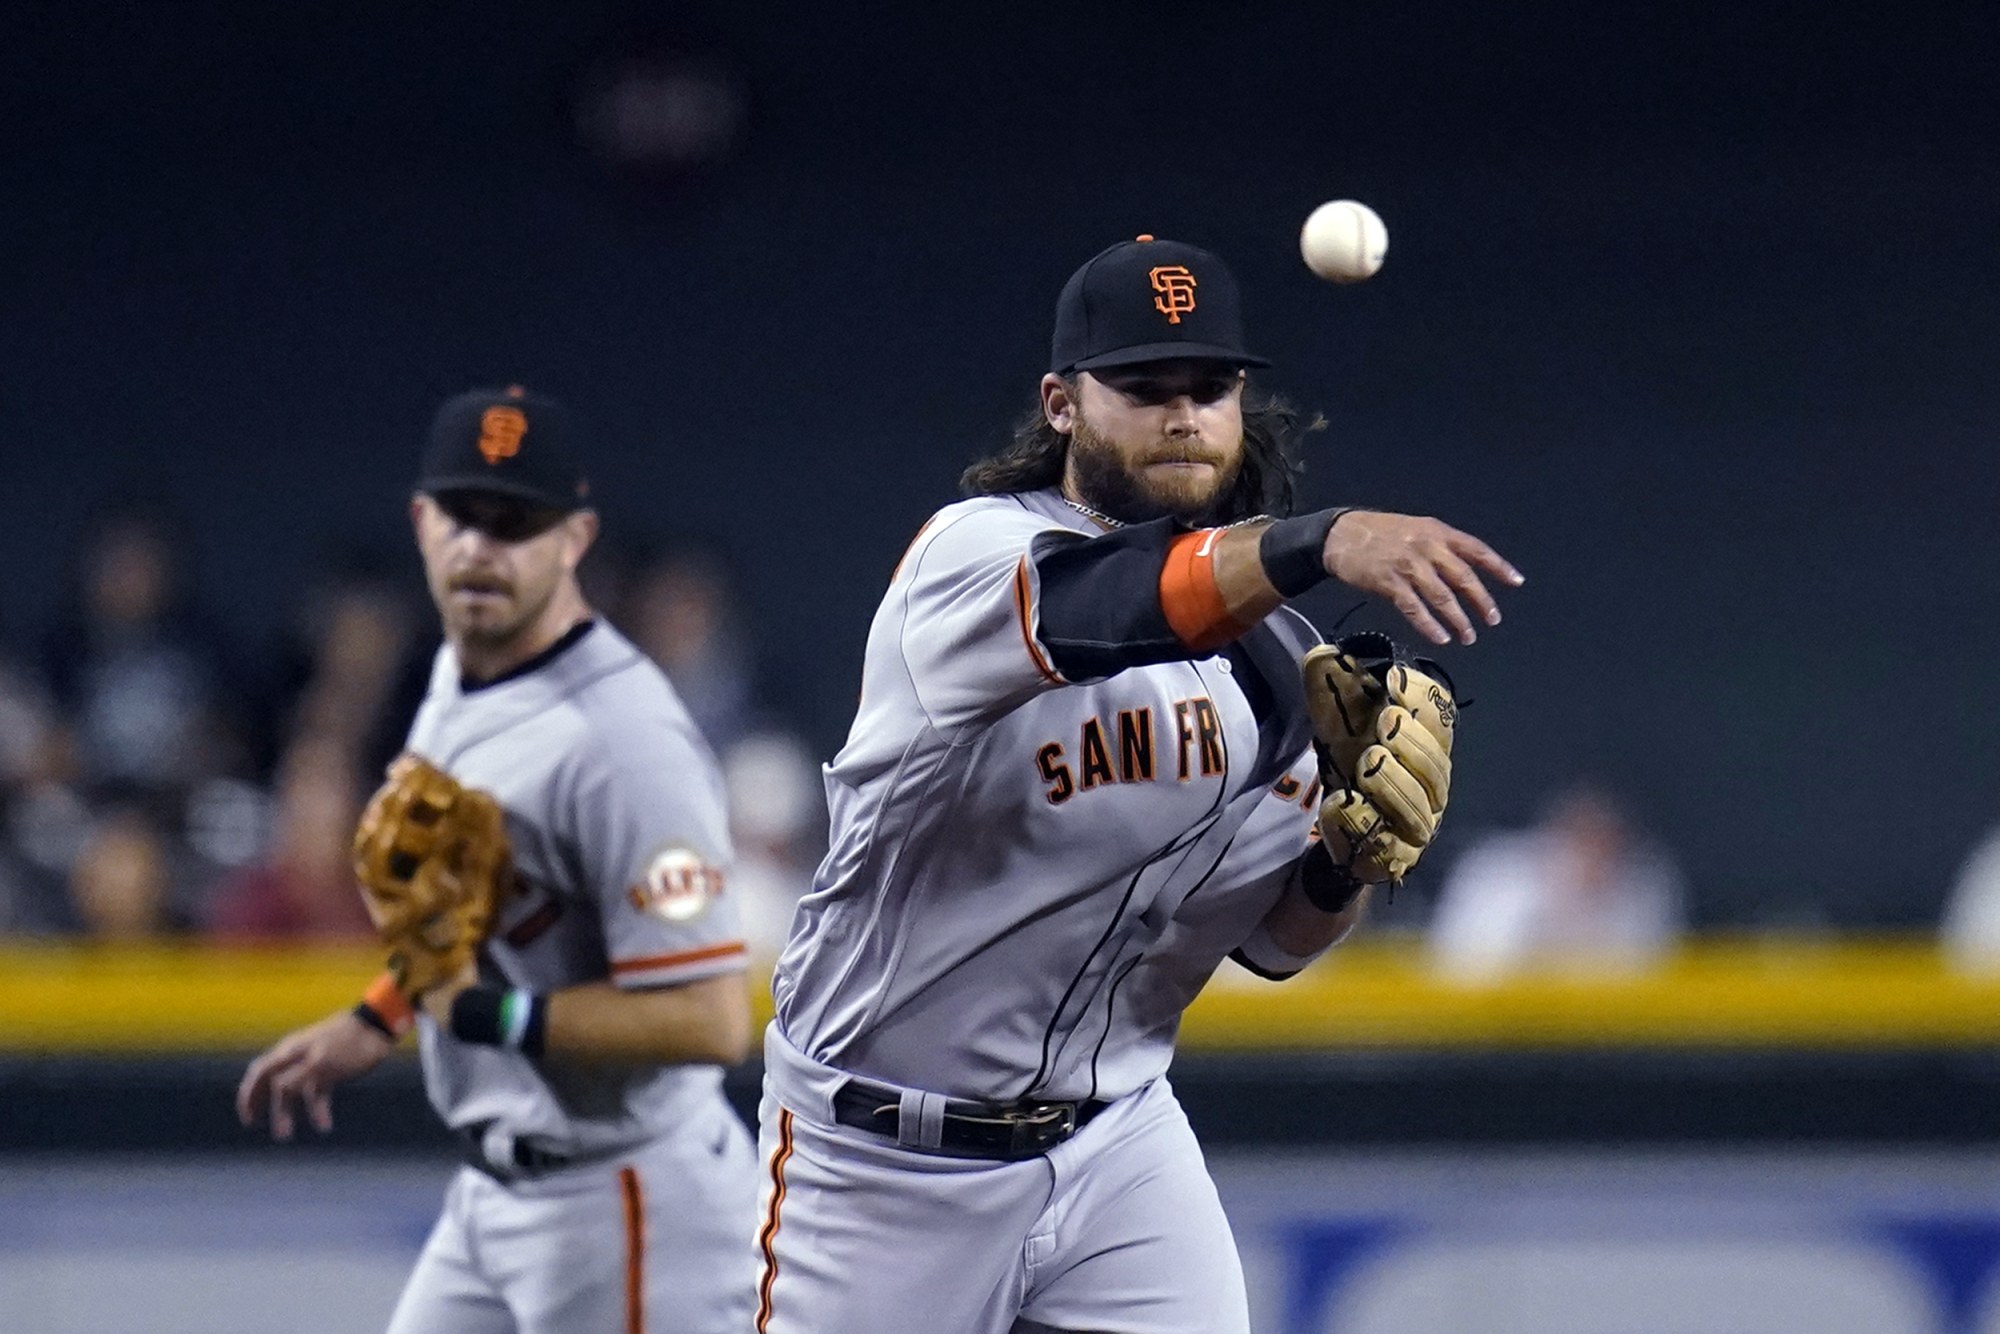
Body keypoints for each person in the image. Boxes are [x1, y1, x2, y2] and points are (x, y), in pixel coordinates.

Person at [752, 235, 1523, 1333]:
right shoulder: (970, 559)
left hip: (1115, 1141)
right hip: (880, 1156)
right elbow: (1109, 607)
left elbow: (1270, 944)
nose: (1180, 414)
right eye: (1142, 386)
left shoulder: (1275, 670)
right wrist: (1327, 536)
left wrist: (1344, 862)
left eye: (1207, 387)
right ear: (1061, 404)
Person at [236, 386, 757, 1333]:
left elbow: (712, 1020)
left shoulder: (626, 744)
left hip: (633, 1205)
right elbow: (462, 906)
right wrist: (378, 1015)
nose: (481, 546)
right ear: (422, 521)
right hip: (493, 1192)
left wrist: (479, 1011)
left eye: (515, 522)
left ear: (575, 539)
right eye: (463, 516)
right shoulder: (457, 670)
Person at [1425, 783, 1685, 981]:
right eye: (1584, 840)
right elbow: (1462, 969)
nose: (1595, 858)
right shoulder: (1499, 876)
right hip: (1482, 1038)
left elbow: (1642, 980)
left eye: (1605, 844)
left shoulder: (1641, 892)